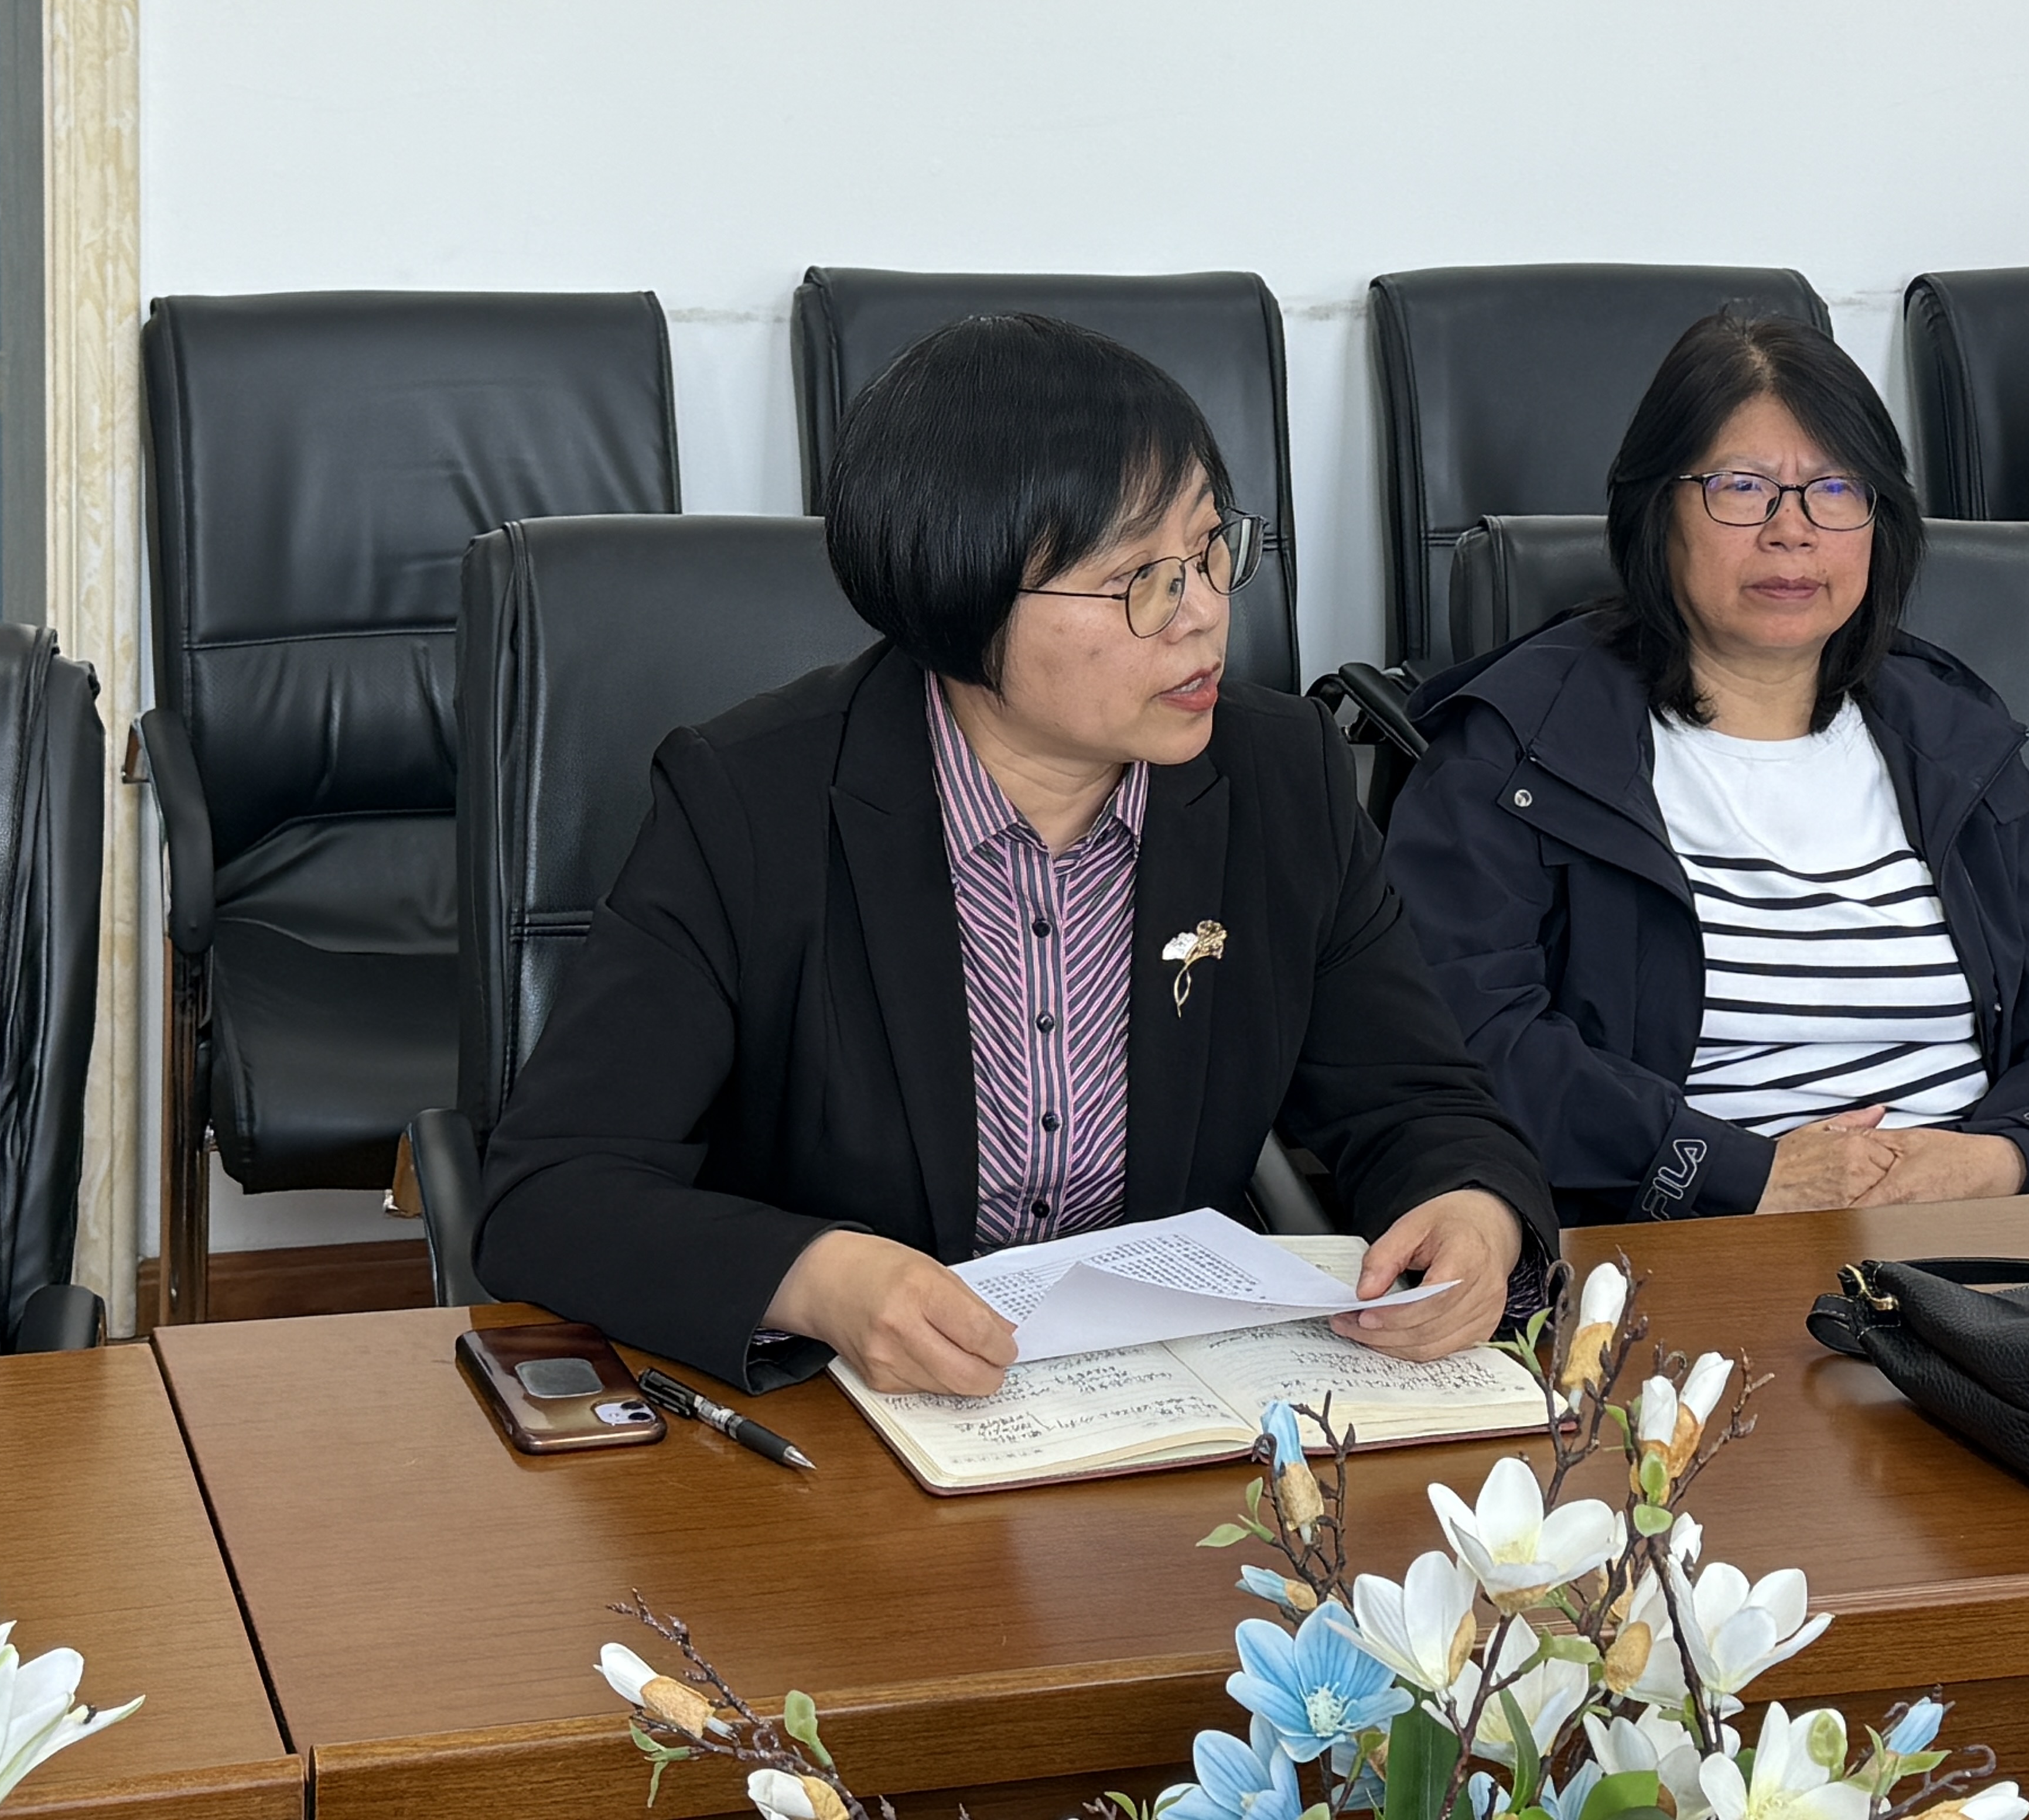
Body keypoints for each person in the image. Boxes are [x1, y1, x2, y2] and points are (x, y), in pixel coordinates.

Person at [475, 314, 1556, 1394]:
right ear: (961, 602)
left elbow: (1419, 1102)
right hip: (852, 1412)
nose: (1204, 613)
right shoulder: (749, 805)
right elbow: (552, 1193)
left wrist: (1475, 1208)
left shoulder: (1283, 777)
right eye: (1141, 579)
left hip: (1170, 1402)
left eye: (1209, 548)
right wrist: (815, 1278)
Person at [1384, 313, 2029, 1223]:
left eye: (1835, 489)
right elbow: (1467, 1040)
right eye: (1742, 487)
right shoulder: (1520, 742)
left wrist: (1993, 1161)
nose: (1792, 531)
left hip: (1980, 1234)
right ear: (1655, 511)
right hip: (1696, 1242)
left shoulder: (1957, 738)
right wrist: (1743, 1174)